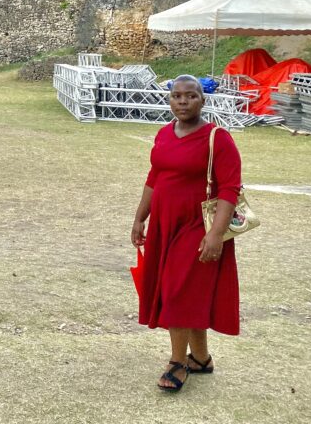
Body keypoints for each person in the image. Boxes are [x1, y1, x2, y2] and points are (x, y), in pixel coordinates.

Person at [131, 74, 242, 392]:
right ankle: (201, 359)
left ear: (202, 99)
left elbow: (230, 188)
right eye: (176, 96)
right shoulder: (164, 134)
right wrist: (140, 218)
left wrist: (216, 235)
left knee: (176, 290)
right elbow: (154, 176)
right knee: (186, 291)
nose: (182, 101)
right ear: (169, 100)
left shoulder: (218, 138)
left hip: (198, 227)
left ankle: (177, 362)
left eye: (190, 96)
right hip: (165, 225)